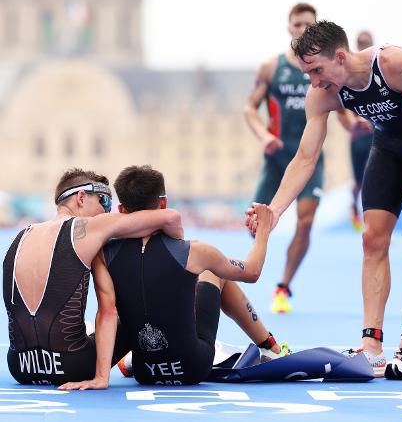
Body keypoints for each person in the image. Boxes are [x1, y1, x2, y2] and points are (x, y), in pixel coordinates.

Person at [246, 21, 402, 380]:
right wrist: (274, 212)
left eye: (317, 71)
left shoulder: (394, 64)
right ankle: (371, 345)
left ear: (340, 57)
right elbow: (305, 159)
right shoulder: (325, 94)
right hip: (386, 146)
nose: (314, 82)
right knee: (372, 240)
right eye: (307, 73)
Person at [60, 165, 287, 389]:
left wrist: (101, 377)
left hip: (145, 371)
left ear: (121, 210)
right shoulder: (195, 251)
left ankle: (132, 355)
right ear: (163, 203)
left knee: (127, 302)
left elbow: (107, 313)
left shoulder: (104, 253)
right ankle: (270, 347)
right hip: (193, 367)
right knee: (212, 271)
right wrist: (264, 229)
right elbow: (252, 271)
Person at [2, 167, 183, 386]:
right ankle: (140, 361)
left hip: (20, 366)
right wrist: (178, 252)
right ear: (81, 197)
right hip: (73, 365)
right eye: (104, 202)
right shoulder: (87, 227)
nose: (107, 212)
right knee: (137, 315)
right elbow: (171, 217)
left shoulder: (22, 235)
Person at [244, 3, 322, 314]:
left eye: (309, 25)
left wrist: (355, 122)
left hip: (311, 157)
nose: (303, 30)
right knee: (254, 222)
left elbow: (339, 107)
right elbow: (250, 108)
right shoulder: (271, 68)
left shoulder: (321, 69)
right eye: (298, 24)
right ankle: (248, 276)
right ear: (289, 28)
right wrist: (264, 136)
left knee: (305, 221)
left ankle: (283, 286)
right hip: (277, 155)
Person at [336, 31, 374, 231]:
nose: (363, 45)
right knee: (358, 182)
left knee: (373, 178)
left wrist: (372, 122)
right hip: (358, 138)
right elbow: (340, 110)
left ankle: (373, 221)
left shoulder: (376, 70)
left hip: (377, 137)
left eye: (367, 42)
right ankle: (354, 206)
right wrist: (354, 124)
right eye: (360, 42)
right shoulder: (346, 75)